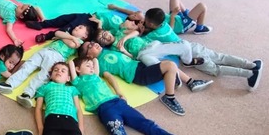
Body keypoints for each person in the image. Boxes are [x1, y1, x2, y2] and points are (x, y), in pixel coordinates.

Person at [69, 57, 208, 135]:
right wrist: (78, 61)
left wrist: (90, 61)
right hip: (105, 109)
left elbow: (95, 61)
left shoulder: (95, 75)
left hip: (119, 103)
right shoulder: (77, 82)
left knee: (147, 124)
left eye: (92, 66)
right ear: (77, 69)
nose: (92, 67)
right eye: (88, 66)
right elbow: (71, 63)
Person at [78, 41, 212, 116]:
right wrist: (119, 92)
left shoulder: (108, 49)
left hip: (139, 64)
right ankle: (169, 97)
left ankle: (191, 81)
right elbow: (109, 78)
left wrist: (125, 51)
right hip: (138, 75)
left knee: (165, 63)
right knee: (169, 65)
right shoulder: (99, 63)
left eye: (92, 42)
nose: (93, 44)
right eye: (89, 47)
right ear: (88, 56)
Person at [143, 8, 263, 90]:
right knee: (221, 57)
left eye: (145, 21)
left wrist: (141, 31)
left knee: (216, 69)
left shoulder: (153, 35)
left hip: (192, 55)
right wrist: (173, 15)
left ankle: (250, 74)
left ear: (152, 24)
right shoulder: (165, 24)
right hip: (194, 46)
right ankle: (251, 65)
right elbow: (171, 25)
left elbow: (141, 40)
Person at [0, 23, 94, 108]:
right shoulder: (69, 35)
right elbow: (57, 32)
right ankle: (9, 84)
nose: (76, 27)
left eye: (80, 28)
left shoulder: (79, 42)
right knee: (27, 66)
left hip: (57, 56)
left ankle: (27, 94)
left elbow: (70, 43)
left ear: (84, 36)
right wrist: (68, 36)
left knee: (43, 76)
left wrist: (62, 37)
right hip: (45, 51)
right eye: (78, 26)